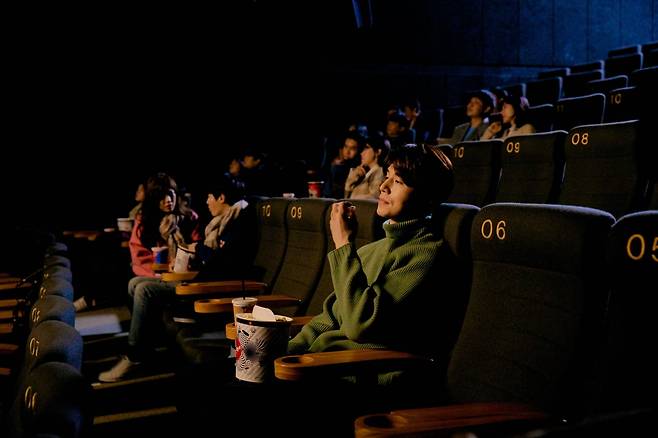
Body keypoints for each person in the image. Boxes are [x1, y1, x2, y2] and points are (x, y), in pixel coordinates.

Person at [289, 144, 458, 383]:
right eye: (387, 176)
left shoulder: (426, 255)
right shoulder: (371, 250)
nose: (383, 186)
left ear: (427, 196)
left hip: (360, 377)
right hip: (321, 365)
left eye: (398, 182)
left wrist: (343, 244)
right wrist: (283, 354)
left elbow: (359, 325)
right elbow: (329, 318)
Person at [99, 175, 252, 382]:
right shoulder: (219, 223)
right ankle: (147, 345)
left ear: (221, 197)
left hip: (203, 288)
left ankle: (135, 355)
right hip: (188, 278)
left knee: (144, 290)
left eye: (209, 197)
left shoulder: (230, 223)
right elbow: (140, 257)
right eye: (160, 197)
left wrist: (195, 250)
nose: (206, 201)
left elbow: (216, 260)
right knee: (135, 283)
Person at [129, 173, 201, 278]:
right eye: (161, 197)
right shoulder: (144, 220)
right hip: (154, 274)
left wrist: (184, 260)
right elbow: (139, 255)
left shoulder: (189, 218)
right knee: (133, 284)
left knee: (141, 288)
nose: (168, 200)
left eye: (171, 194)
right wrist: (157, 271)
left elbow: (198, 247)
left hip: (182, 275)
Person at [344, 134, 390, 200]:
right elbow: (346, 198)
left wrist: (353, 200)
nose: (362, 153)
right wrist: (351, 180)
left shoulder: (380, 173)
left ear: (378, 152)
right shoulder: (363, 173)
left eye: (366, 148)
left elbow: (374, 198)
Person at [323, 132, 364, 198]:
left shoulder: (358, 169)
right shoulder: (336, 165)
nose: (347, 151)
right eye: (346, 146)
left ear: (359, 150)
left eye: (352, 148)